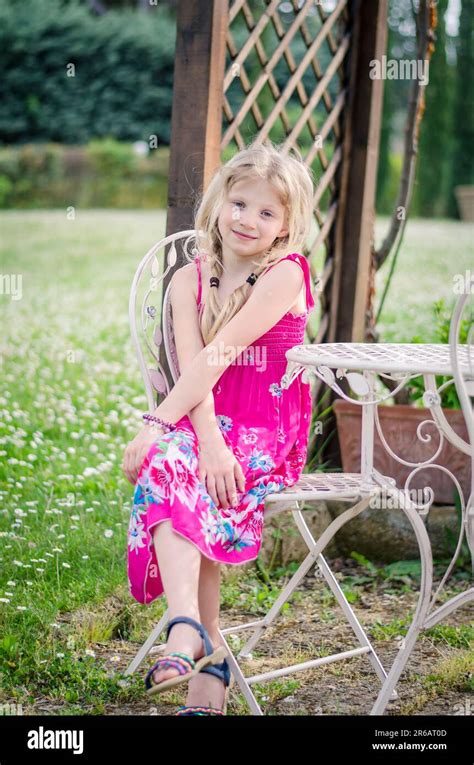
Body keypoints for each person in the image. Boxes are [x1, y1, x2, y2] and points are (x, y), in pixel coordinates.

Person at [123, 138, 316, 715]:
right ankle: (194, 640)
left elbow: (220, 353)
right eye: (240, 204)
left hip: (266, 430)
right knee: (173, 466)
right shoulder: (189, 279)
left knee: (177, 469)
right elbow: (190, 363)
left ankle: (190, 640)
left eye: (266, 212)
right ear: (218, 203)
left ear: (285, 225)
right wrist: (202, 440)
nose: (248, 220)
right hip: (208, 420)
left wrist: (159, 421)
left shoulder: (285, 273)